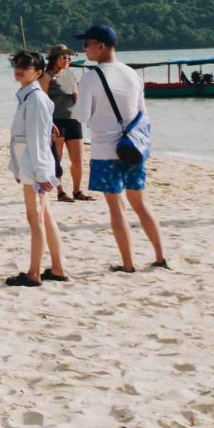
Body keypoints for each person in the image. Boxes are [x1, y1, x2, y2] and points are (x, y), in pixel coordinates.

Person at [75, 21, 169, 272]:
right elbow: (142, 114)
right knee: (140, 204)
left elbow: (82, 116)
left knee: (117, 208)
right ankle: (160, 256)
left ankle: (128, 264)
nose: (85, 50)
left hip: (106, 150)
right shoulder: (132, 74)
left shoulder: (90, 78)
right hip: (133, 149)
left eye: (87, 45)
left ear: (101, 46)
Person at [6, 51, 68, 287]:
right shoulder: (28, 96)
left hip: (35, 167)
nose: (19, 69)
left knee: (36, 219)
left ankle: (34, 273)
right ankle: (58, 267)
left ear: (39, 72)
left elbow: (39, 141)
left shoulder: (35, 99)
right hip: (30, 165)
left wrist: (41, 176)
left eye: (26, 66)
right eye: (18, 65)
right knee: (44, 216)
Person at [42, 45, 89, 200]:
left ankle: (77, 191)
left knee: (78, 160)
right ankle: (60, 191)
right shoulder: (46, 76)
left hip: (73, 120)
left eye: (69, 57)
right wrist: (48, 124)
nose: (67, 60)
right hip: (56, 121)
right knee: (57, 159)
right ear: (54, 59)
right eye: (63, 57)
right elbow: (41, 102)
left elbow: (77, 94)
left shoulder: (71, 75)